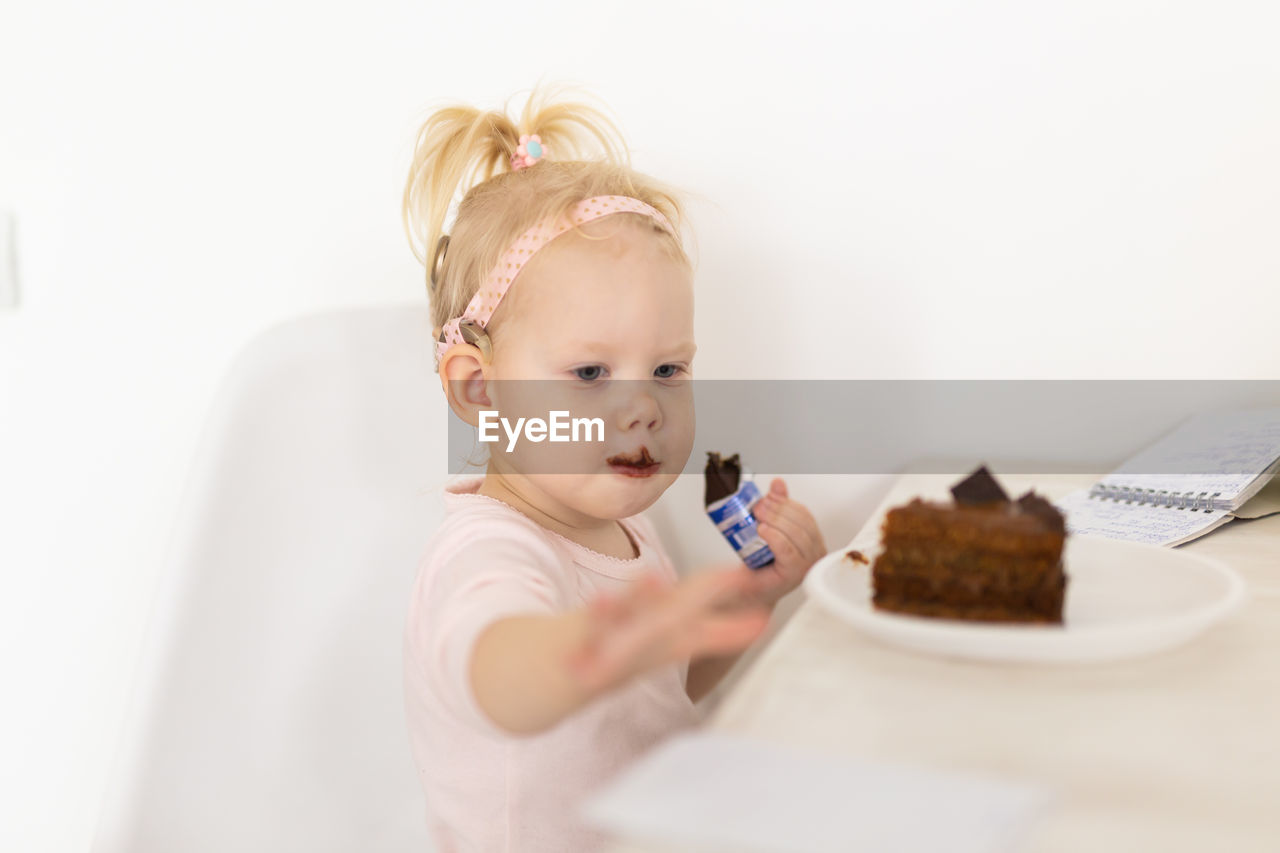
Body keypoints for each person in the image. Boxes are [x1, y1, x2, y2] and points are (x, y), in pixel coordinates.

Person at [400, 82, 827, 851]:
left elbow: (659, 690)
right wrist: (587, 648)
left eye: (668, 371)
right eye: (592, 374)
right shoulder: (491, 549)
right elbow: (494, 667)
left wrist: (756, 595)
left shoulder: (625, 525)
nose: (643, 410)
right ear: (478, 388)